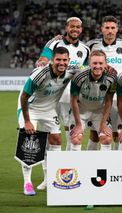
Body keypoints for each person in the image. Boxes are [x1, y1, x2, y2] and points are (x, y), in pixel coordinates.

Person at [17, 47, 77, 195]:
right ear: (52, 60)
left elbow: (89, 68)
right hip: (31, 109)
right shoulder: (40, 74)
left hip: (50, 111)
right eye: (58, 60)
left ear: (68, 61)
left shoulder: (72, 71)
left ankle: (51, 178)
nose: (61, 63)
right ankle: (27, 183)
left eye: (64, 60)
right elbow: (24, 97)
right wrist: (27, 121)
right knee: (29, 144)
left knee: (56, 140)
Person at [36, 17, 90, 151]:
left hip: (70, 97)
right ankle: (48, 167)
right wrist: (42, 62)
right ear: (66, 28)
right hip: (50, 94)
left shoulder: (85, 49)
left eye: (78, 27)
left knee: (70, 132)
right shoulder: (54, 43)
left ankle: (66, 165)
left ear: (81, 29)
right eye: (72, 26)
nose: (75, 29)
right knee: (49, 133)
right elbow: (44, 58)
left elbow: (83, 70)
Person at [86, 16, 122, 150]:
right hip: (98, 95)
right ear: (102, 29)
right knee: (96, 133)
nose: (110, 31)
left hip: (120, 95)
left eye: (113, 28)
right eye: (107, 28)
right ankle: (92, 166)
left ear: (117, 29)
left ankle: (118, 167)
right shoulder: (92, 45)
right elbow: (83, 65)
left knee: (119, 133)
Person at [69, 50, 117, 151]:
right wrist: (78, 124)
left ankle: (103, 166)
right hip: (81, 111)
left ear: (105, 64)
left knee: (107, 139)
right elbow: (73, 100)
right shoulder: (79, 76)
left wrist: (103, 123)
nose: (98, 66)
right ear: (89, 64)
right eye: (94, 63)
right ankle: (74, 166)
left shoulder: (112, 78)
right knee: (76, 138)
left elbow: (109, 101)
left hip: (99, 111)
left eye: (101, 63)